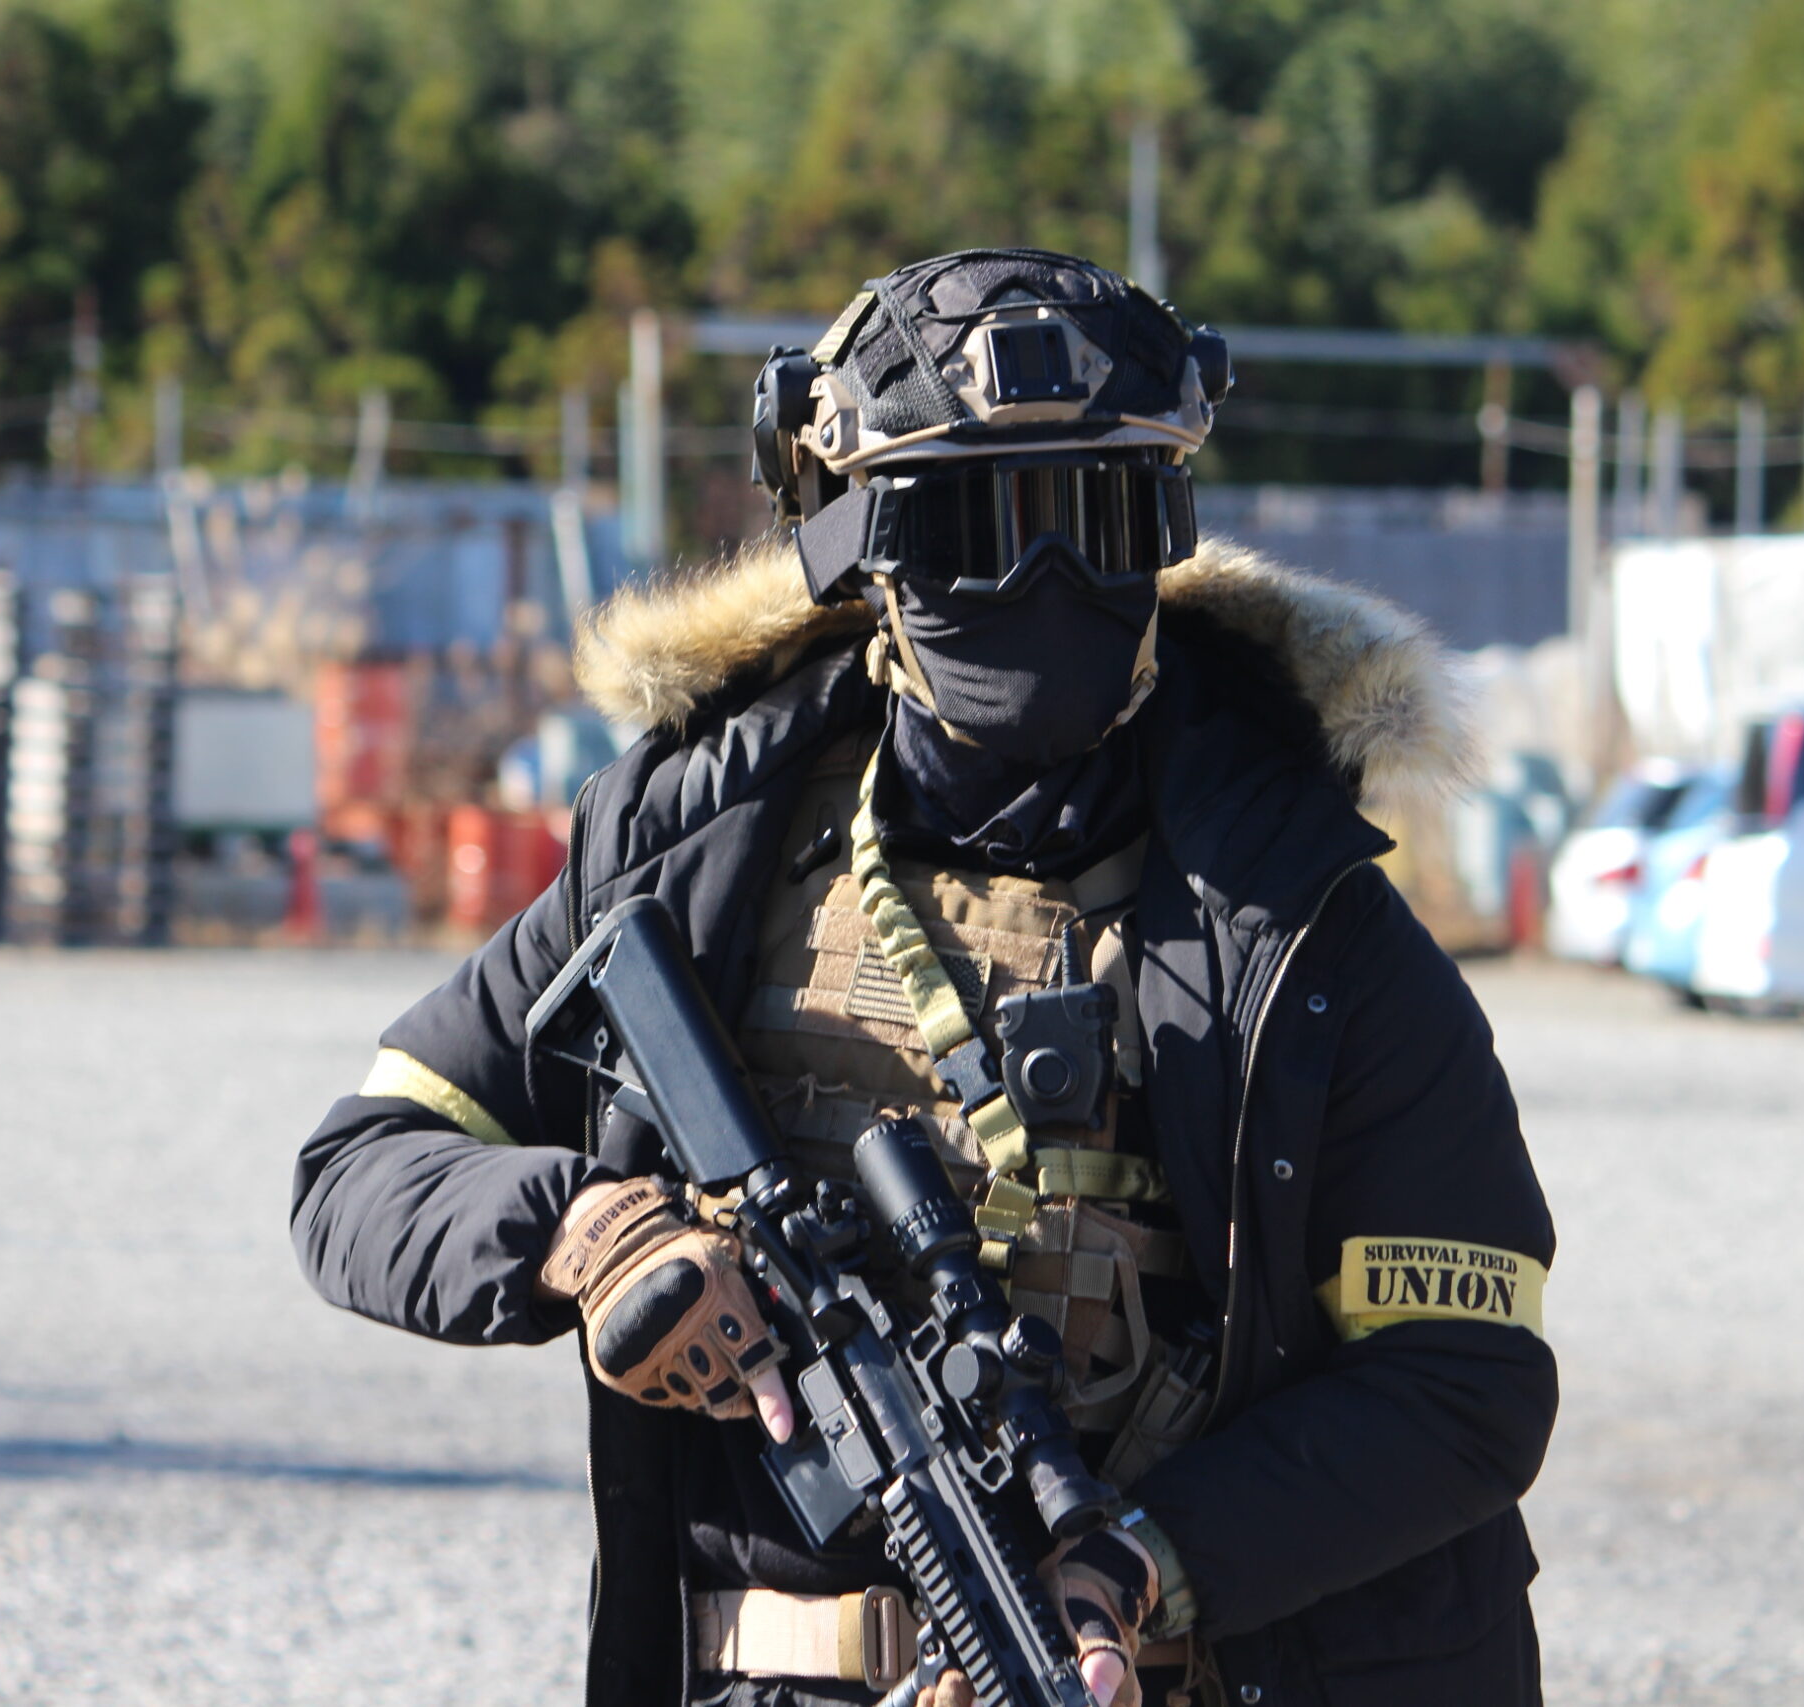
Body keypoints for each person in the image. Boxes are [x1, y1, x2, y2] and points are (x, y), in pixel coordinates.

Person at [294, 248, 1557, 1707]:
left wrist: (1140, 1561)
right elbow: (360, 1168)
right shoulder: (694, 848)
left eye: (1102, 520)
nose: (1041, 579)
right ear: (859, 547)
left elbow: (1463, 1378)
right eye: (969, 524)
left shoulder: (1302, 915)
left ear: (1169, 537)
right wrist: (587, 1236)